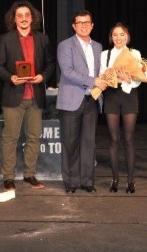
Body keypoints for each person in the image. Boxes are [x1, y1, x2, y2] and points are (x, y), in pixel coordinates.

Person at [0, 0, 55, 190]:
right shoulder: (6, 39)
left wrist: (42, 77)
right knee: (10, 138)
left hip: (35, 96)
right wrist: (11, 77)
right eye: (19, 15)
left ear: (32, 18)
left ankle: (30, 175)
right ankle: (8, 177)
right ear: (14, 19)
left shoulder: (43, 39)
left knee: (34, 137)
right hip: (13, 96)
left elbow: (50, 64)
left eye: (27, 15)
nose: (23, 19)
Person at [99, 22, 147, 194]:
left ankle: (131, 180)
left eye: (122, 34)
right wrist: (110, 77)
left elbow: (143, 75)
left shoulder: (134, 53)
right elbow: (101, 75)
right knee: (114, 139)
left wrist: (130, 79)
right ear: (111, 37)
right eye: (115, 35)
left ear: (127, 37)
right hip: (112, 97)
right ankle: (115, 179)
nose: (118, 38)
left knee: (129, 139)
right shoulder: (105, 54)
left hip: (129, 97)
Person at [56, 11, 107, 194]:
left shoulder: (98, 47)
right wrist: (94, 81)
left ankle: (87, 181)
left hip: (92, 99)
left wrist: (110, 77)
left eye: (87, 22)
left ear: (92, 25)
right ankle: (71, 182)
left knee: (88, 143)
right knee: (70, 143)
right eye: (80, 23)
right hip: (71, 100)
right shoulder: (65, 45)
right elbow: (68, 71)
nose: (84, 25)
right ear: (74, 26)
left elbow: (102, 71)